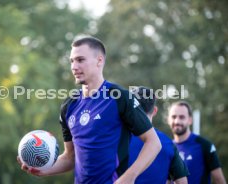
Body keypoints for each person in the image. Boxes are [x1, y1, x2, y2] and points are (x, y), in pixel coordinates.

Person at [17, 35, 162, 183]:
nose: (74, 67)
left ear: (99, 60)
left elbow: (154, 143)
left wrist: (129, 176)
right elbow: (70, 157)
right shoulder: (69, 105)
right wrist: (43, 169)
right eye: (72, 61)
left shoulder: (120, 97)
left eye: (80, 60)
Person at [129, 86, 189, 184]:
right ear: (155, 111)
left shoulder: (114, 138)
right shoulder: (167, 143)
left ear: (130, 108)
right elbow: (182, 182)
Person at [167, 101, 226, 184]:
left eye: (182, 117)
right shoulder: (167, 147)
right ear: (168, 119)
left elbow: (219, 180)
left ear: (190, 120)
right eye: (173, 117)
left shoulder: (205, 145)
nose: (177, 121)